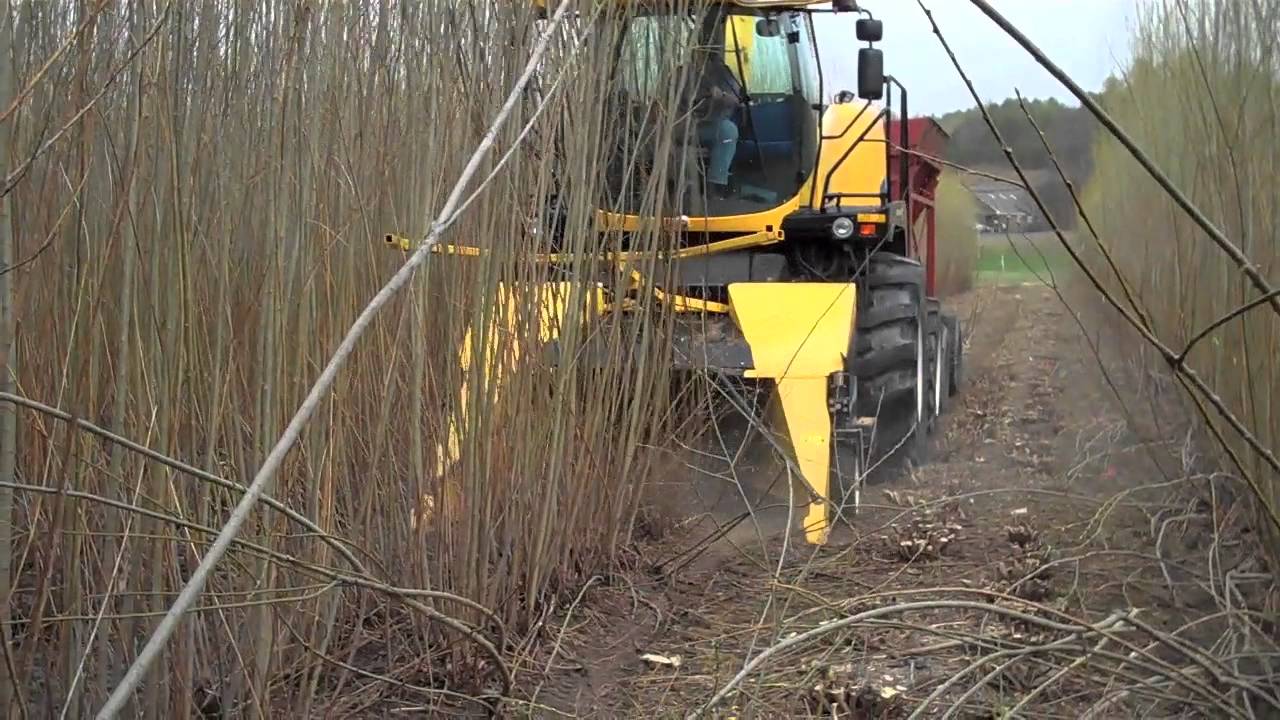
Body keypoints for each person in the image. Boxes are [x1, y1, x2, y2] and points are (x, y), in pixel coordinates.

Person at [688, 44, 744, 198]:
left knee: (727, 131)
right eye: (697, 50)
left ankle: (715, 186)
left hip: (711, 126)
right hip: (683, 127)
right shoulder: (680, 75)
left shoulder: (723, 73)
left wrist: (722, 96)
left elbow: (737, 100)